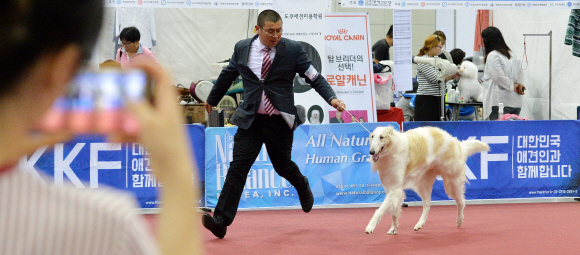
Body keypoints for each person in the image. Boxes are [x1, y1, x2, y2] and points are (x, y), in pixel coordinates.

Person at [0, 1, 200, 254]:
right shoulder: (106, 224)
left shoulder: (147, 57)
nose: (124, 46)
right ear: (64, 68)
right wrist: (177, 176)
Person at [202, 10, 345, 239]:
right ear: (257, 29)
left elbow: (314, 77)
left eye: (279, 30)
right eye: (270, 31)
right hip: (251, 120)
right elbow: (228, 74)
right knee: (238, 168)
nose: (276, 35)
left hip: (280, 120)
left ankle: (302, 184)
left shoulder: (293, 49)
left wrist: (332, 98)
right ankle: (220, 220)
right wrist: (212, 98)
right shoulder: (242, 48)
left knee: (282, 165)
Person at [481, 26, 525, 120]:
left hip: (499, 103)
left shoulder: (493, 55)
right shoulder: (513, 55)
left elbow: (498, 77)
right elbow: (521, 74)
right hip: (516, 102)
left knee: (497, 133)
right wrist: (518, 86)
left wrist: (513, 87)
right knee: (511, 133)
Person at [414, 35, 456, 121]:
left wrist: (452, 76)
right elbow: (435, 78)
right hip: (427, 99)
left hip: (438, 98)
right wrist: (449, 75)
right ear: (432, 47)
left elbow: (440, 77)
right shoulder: (424, 61)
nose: (441, 49)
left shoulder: (437, 60)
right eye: (439, 47)